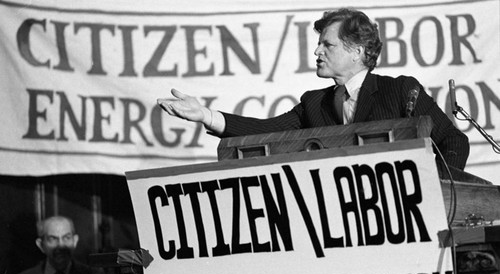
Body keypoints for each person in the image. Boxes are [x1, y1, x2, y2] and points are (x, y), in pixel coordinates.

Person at [158, 7, 469, 170]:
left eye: (327, 44)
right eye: (318, 44)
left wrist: (436, 189)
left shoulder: (401, 91)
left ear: (356, 51)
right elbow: (265, 131)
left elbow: (453, 140)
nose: (317, 51)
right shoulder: (313, 104)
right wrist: (206, 115)